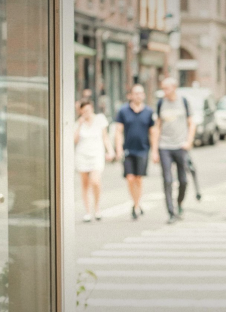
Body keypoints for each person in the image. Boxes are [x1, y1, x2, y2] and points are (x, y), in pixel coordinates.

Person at [152, 76, 196, 224]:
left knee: (183, 180)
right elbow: (157, 127)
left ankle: (180, 204)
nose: (164, 91)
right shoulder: (161, 103)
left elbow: (192, 123)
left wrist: (189, 141)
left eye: (166, 88)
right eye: (163, 88)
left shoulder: (183, 102)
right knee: (167, 180)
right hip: (164, 146)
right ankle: (171, 213)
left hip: (180, 146)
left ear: (174, 87)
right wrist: (154, 149)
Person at [115, 83, 156, 220]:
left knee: (138, 178)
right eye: (136, 93)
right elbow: (118, 131)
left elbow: (153, 132)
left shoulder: (149, 112)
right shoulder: (123, 111)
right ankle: (136, 203)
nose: (138, 96)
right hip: (128, 149)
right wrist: (118, 148)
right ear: (131, 95)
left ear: (143, 95)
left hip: (143, 149)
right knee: (130, 178)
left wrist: (155, 150)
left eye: (140, 93)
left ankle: (136, 204)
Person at [74, 99, 114, 221]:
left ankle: (97, 207)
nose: (86, 112)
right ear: (80, 112)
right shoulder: (78, 123)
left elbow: (105, 137)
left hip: (96, 154)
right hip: (82, 155)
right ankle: (87, 211)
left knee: (95, 181)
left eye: (88, 110)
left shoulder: (100, 119)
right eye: (83, 111)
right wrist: (80, 124)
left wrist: (110, 151)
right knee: (85, 184)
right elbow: (74, 141)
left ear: (91, 108)